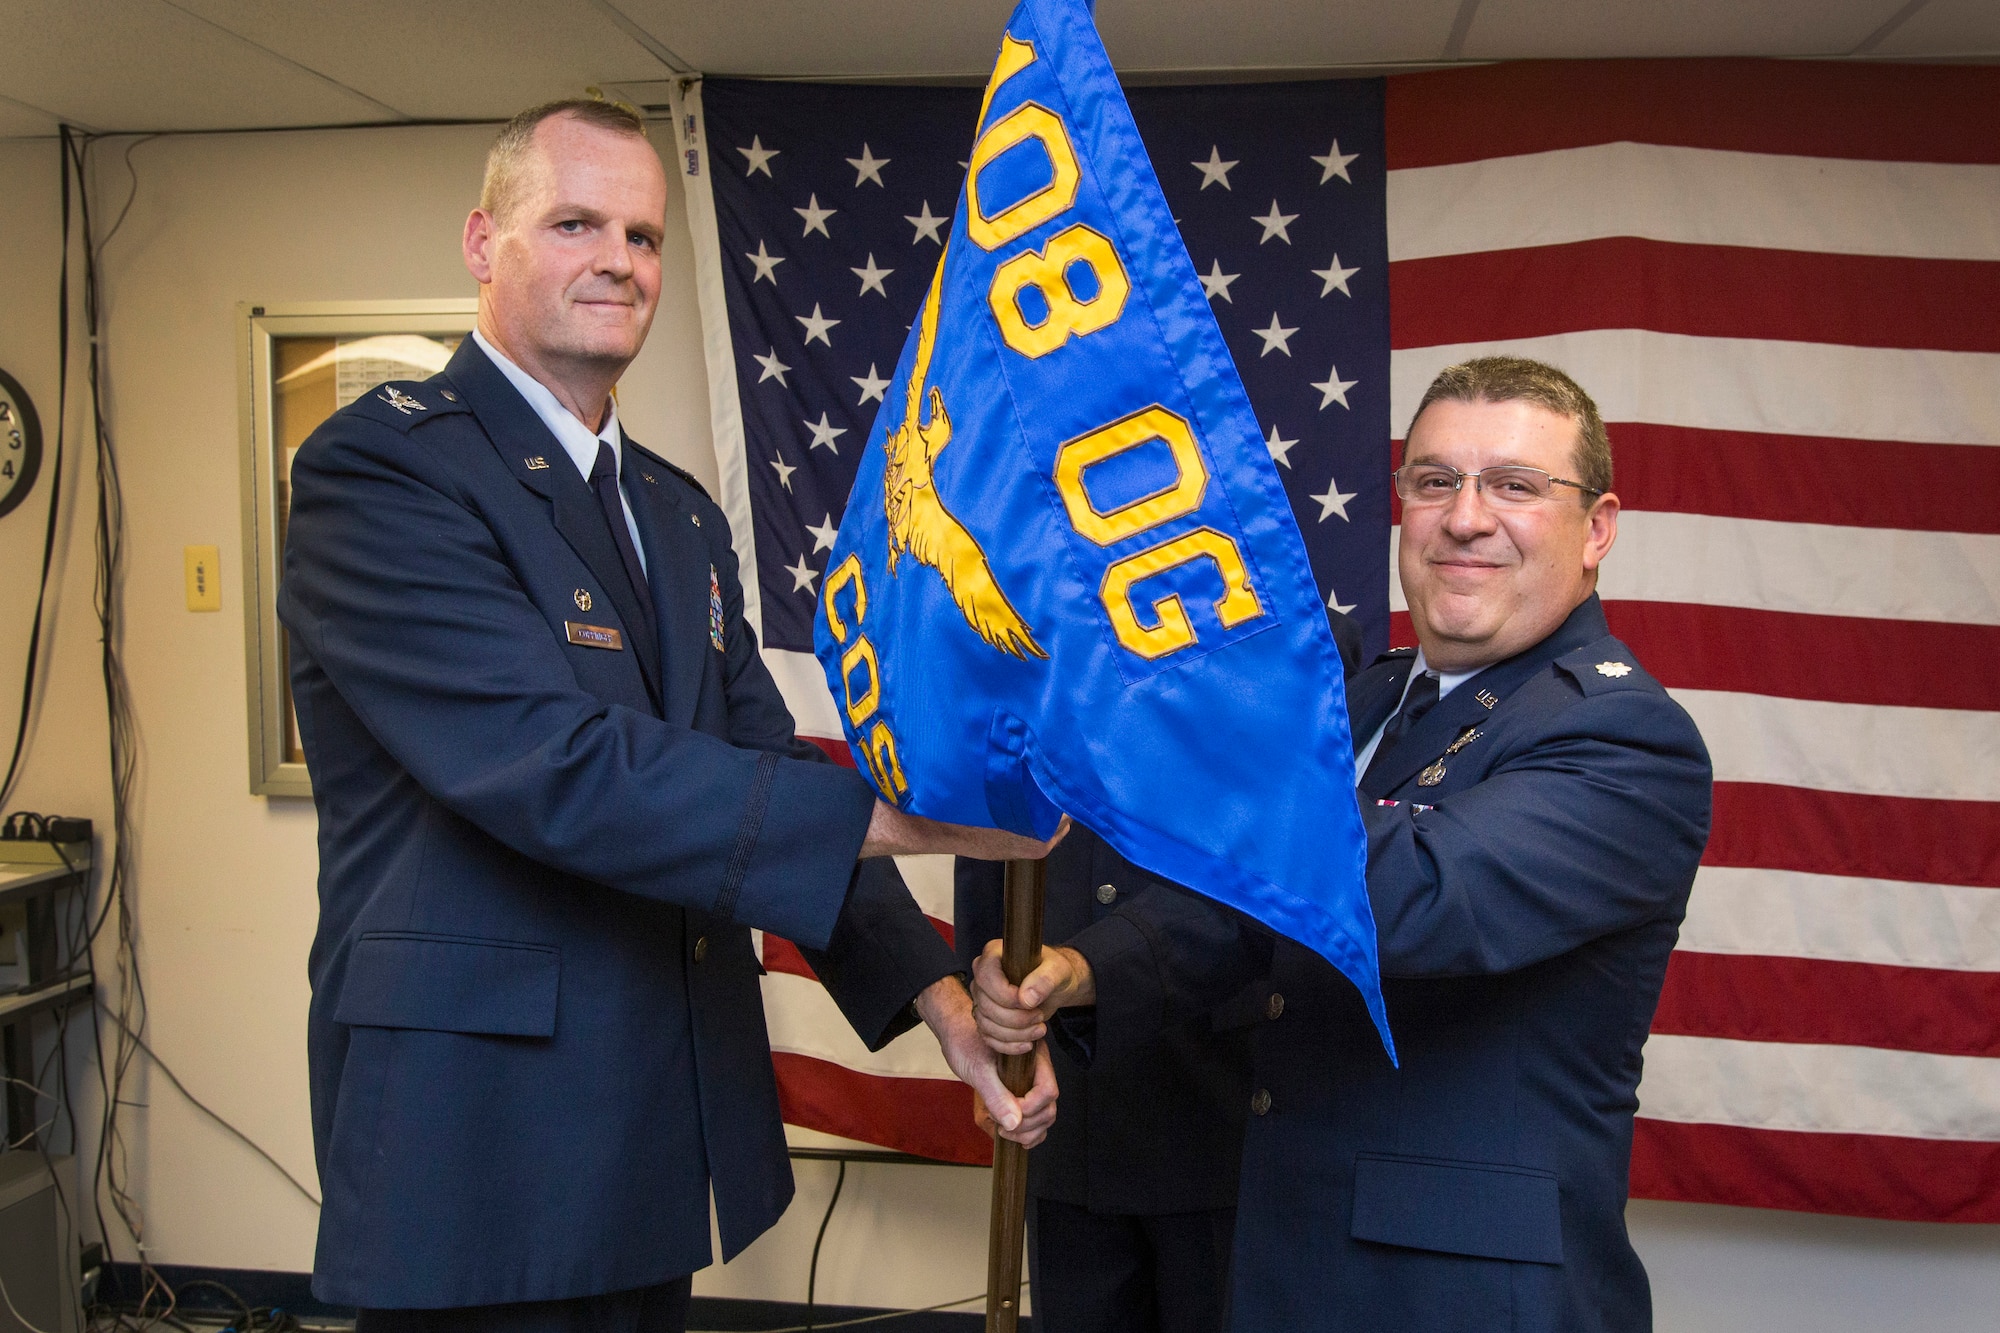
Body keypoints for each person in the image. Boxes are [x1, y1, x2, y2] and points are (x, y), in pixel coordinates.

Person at [278, 98, 1059, 1333]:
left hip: (652, 1112)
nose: (619, 260)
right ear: (484, 243)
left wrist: (942, 1006)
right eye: (575, 221)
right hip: (480, 1129)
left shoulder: (674, 509)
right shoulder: (382, 473)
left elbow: (749, 757)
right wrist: (920, 823)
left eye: (642, 236)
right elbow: (560, 767)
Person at [972, 357, 1713, 1332]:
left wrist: (1186, 728)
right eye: (1435, 480)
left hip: (1460, 1298)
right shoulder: (1374, 698)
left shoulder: (1623, 735)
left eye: (1515, 486)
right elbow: (1249, 910)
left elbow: (1413, 896)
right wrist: (1079, 974)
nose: (1464, 517)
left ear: (1597, 529)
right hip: (1287, 1257)